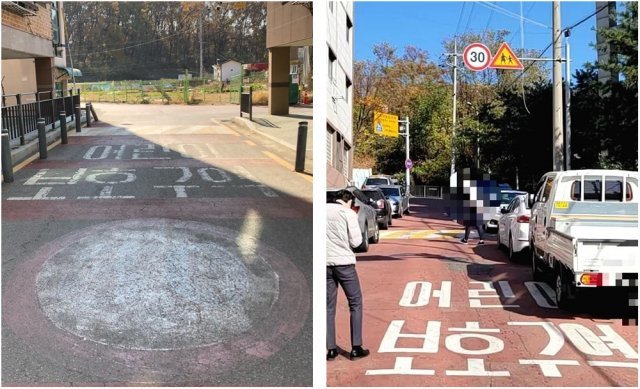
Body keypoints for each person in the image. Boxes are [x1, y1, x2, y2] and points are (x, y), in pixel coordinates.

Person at [326, 190, 370, 361]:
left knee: (328, 307)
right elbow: (356, 241)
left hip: (325, 263)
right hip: (344, 264)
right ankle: (356, 347)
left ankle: (330, 350)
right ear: (348, 201)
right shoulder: (347, 213)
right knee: (355, 303)